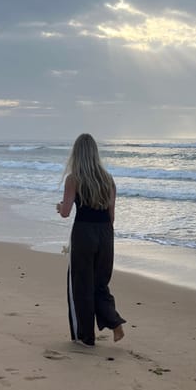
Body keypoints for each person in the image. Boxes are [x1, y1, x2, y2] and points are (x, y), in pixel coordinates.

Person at [56, 134, 126, 346]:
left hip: (84, 233)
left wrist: (60, 207)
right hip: (105, 233)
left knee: (81, 285)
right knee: (100, 284)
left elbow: (66, 212)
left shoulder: (74, 179)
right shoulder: (108, 179)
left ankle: (85, 337)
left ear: (77, 154)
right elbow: (112, 216)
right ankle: (114, 322)